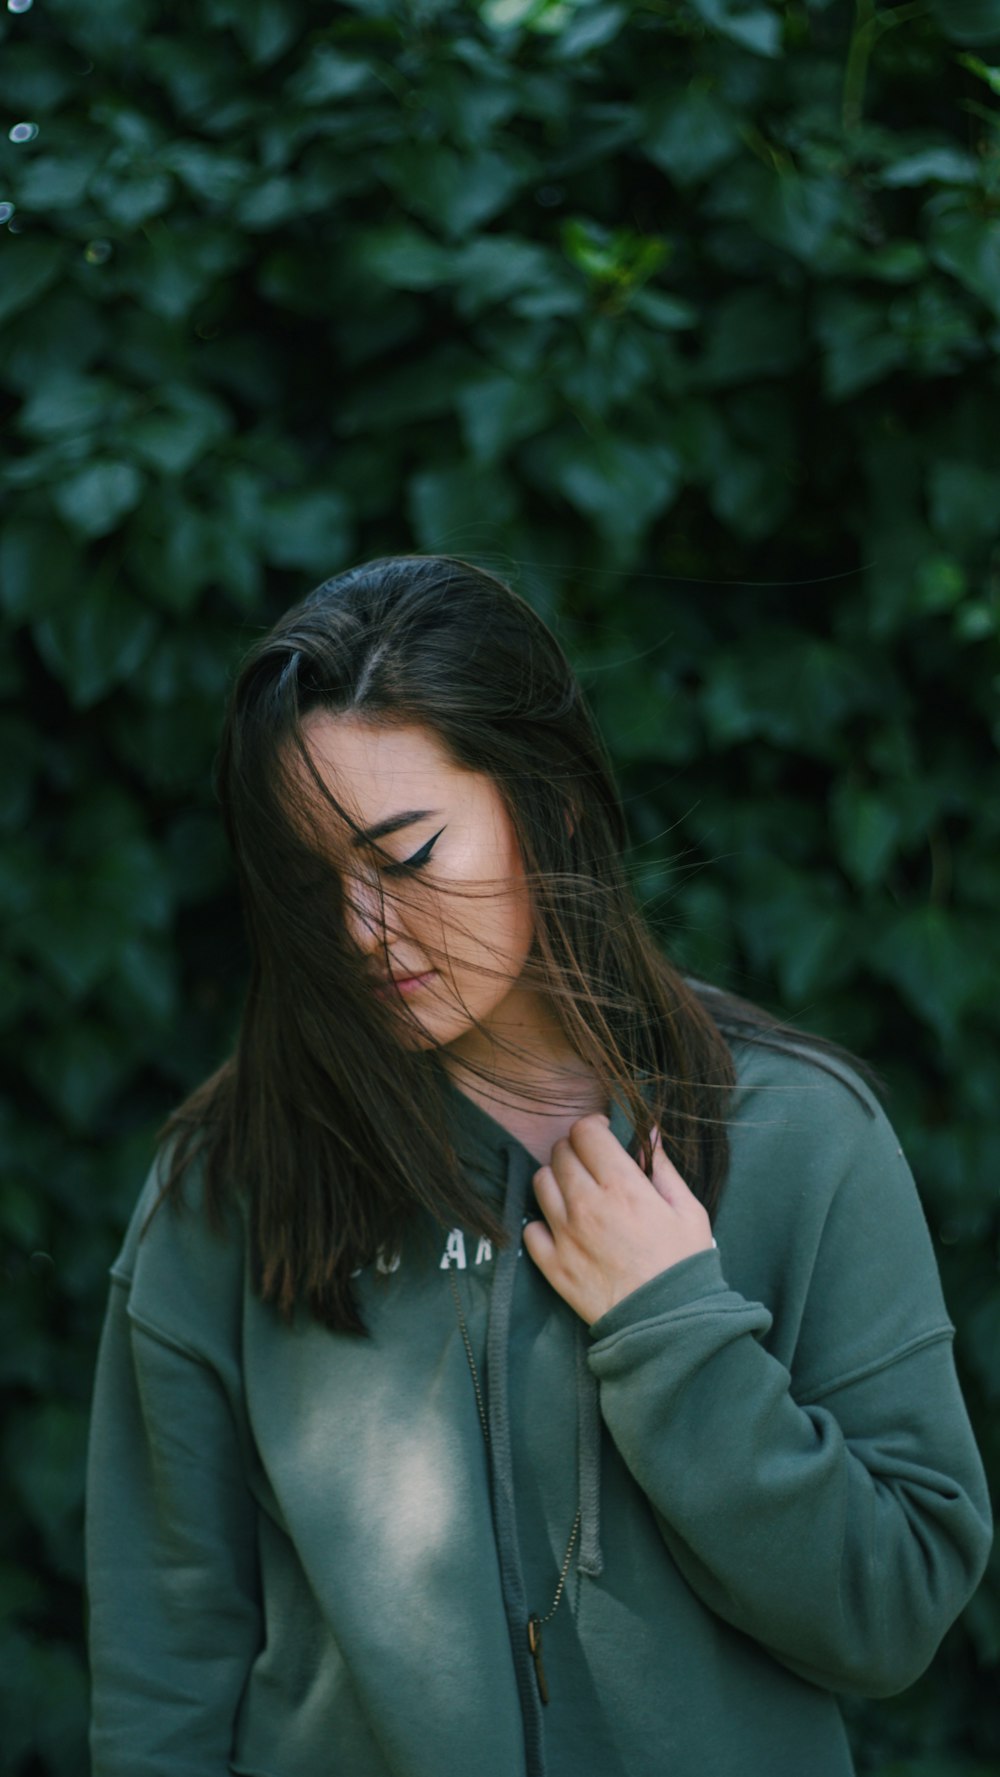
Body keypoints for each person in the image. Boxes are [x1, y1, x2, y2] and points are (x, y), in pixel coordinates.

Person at [85, 554, 992, 1777]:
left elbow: (893, 1613)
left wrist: (675, 1334)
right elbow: (165, 1672)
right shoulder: (226, 1183)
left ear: (549, 803)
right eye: (314, 883)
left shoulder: (799, 1134)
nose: (362, 934)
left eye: (405, 859)